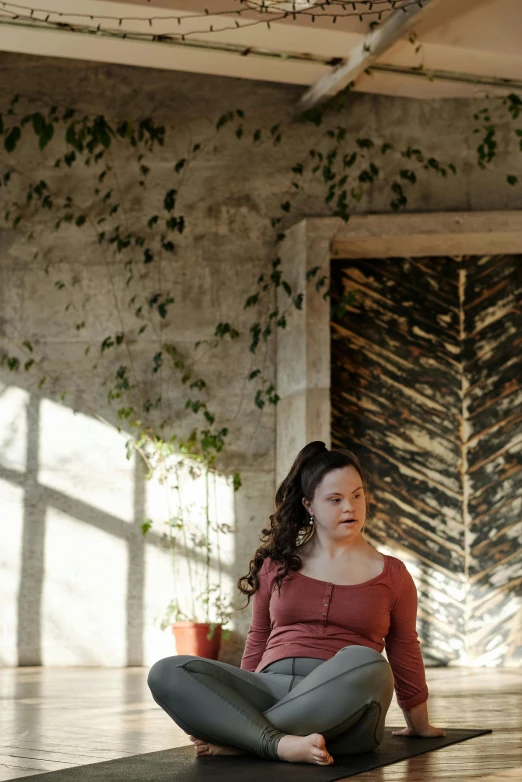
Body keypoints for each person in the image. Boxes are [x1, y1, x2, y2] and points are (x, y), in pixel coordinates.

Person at [147, 441, 446, 766]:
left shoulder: (393, 574)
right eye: (336, 499)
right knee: (167, 671)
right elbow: (258, 637)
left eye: (357, 495)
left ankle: (247, 739)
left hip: (346, 706)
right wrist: (239, 696)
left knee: (370, 664)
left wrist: (419, 725)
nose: (351, 507)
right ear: (309, 505)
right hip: (269, 685)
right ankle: (277, 742)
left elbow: (403, 649)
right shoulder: (276, 565)